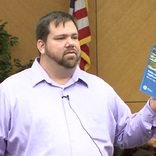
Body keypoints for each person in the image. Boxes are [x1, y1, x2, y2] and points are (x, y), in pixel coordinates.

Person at [0, 11, 156, 156]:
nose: (70, 43)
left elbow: (125, 135)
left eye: (74, 37)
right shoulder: (11, 91)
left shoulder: (100, 88)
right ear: (41, 46)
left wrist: (152, 107)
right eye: (61, 38)